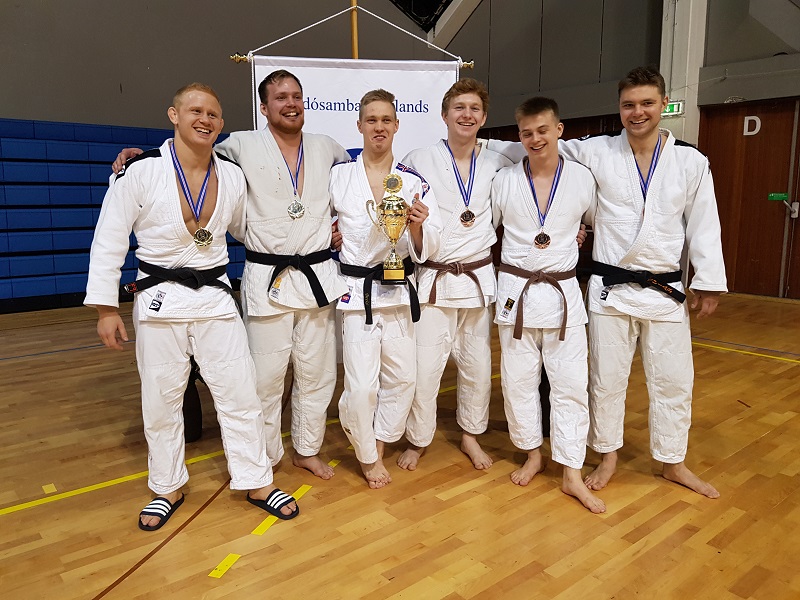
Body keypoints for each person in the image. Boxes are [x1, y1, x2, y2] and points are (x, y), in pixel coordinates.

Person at [490, 66, 727, 498]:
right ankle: (607, 454)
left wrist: (708, 279)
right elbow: (537, 144)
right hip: (609, 289)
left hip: (665, 289)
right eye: (629, 105)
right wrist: (474, 144)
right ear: (619, 108)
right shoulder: (597, 151)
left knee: (674, 380)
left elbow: (704, 221)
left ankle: (673, 461)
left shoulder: (690, 161)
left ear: (663, 104)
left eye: (647, 103)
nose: (638, 112)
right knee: (604, 380)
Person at [113, 71, 351, 480]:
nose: (290, 103)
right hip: (268, 277)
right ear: (264, 107)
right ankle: (266, 456)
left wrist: (345, 225)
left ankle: (307, 449)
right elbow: (192, 152)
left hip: (318, 276)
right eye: (280, 97)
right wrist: (143, 157)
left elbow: (356, 185)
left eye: (296, 96)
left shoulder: (327, 147)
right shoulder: (239, 145)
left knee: (318, 374)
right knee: (264, 379)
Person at [87, 83, 298, 530]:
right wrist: (106, 308)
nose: (205, 120)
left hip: (215, 299)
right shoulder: (141, 171)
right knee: (161, 402)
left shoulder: (232, 175)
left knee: (240, 395)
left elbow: (245, 227)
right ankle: (167, 486)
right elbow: (109, 238)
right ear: (174, 115)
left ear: (221, 124)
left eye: (213, 115)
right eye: (195, 111)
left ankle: (257, 480)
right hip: (159, 300)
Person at [491, 97, 605, 513]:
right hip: (516, 292)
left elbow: (596, 221)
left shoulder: (582, 179)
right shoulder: (504, 180)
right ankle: (532, 453)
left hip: (562, 294)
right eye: (526, 133)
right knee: (518, 382)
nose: (535, 139)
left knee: (571, 384)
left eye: (542, 130)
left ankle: (571, 471)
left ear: (559, 130)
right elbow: (483, 231)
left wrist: (579, 234)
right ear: (519, 136)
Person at [396, 79, 512, 471]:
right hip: (435, 281)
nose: (467, 114)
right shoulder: (419, 159)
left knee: (477, 367)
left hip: (477, 282)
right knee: (425, 369)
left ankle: (471, 435)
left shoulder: (498, 162)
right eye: (459, 108)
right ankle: (418, 439)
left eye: (474, 108)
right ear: (444, 115)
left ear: (484, 117)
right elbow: (403, 215)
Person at [330, 89, 442, 488]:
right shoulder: (339, 176)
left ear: (397, 125)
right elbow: (319, 226)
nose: (379, 127)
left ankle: (379, 441)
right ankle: (366, 454)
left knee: (403, 379)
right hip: (357, 293)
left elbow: (431, 244)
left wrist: (419, 226)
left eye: (386, 120)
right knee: (361, 385)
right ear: (360, 125)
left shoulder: (413, 182)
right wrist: (329, 238)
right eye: (372, 120)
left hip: (398, 290)